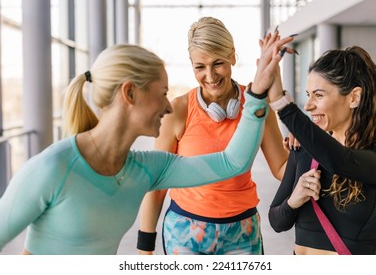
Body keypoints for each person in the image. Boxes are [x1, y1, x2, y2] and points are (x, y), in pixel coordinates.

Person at [0, 41, 292, 255]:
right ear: (130, 93)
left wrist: (256, 96)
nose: (168, 106)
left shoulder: (147, 168)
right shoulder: (52, 168)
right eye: (163, 93)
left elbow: (232, 163)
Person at [138, 17, 290, 255]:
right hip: (185, 232)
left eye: (217, 63)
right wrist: (144, 249)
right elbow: (157, 184)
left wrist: (315, 158)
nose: (210, 75)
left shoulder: (256, 106)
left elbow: (281, 166)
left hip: (242, 232)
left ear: (232, 56)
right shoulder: (178, 111)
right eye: (200, 67)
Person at [255, 34, 376, 254]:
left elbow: (341, 160)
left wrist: (281, 102)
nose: (308, 105)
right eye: (308, 95)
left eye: (318, 95)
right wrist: (294, 200)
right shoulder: (304, 149)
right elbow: (277, 222)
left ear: (354, 97)